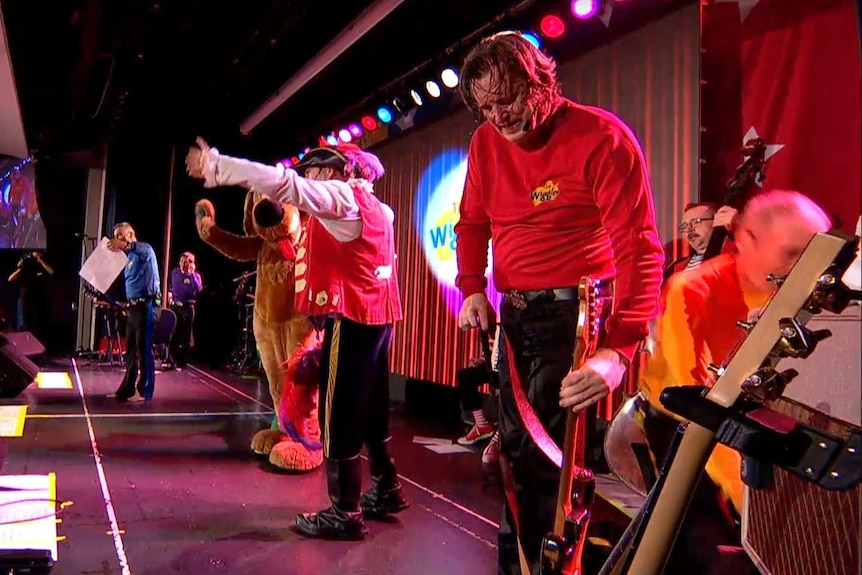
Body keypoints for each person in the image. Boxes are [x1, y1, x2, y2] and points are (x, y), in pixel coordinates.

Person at [454, 31, 664, 573]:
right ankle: (521, 565)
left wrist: (617, 352)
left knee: (549, 461)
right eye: (486, 106)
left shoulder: (601, 137)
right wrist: (472, 285)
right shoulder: (484, 142)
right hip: (514, 314)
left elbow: (640, 251)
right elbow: (473, 221)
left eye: (508, 100)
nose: (498, 117)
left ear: (540, 81)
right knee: (516, 456)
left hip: (572, 319)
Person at [185, 139, 407, 540]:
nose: (312, 179)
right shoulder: (378, 206)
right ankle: (386, 486)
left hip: (352, 316)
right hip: (380, 316)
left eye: (317, 173)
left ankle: (345, 510)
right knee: (373, 405)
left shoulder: (341, 197)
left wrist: (217, 166)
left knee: (338, 413)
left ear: (334, 173)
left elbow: (283, 183)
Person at [639, 190, 833, 574]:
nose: (802, 270)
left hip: (756, 434)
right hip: (683, 432)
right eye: (791, 254)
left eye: (810, 257)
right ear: (746, 240)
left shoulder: (802, 292)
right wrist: (755, 509)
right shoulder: (691, 291)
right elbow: (703, 414)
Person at [107, 222, 160, 402]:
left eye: (120, 236)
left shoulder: (145, 250)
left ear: (130, 234)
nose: (117, 240)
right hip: (133, 307)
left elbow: (137, 248)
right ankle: (126, 390)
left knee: (143, 349)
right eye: (116, 236)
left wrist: (123, 244)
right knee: (130, 351)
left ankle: (145, 391)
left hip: (146, 306)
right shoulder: (128, 258)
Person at [663, 202, 736, 281]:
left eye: (696, 222)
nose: (689, 230)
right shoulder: (675, 268)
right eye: (685, 226)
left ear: (716, 221)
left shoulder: (736, 256)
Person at [456, 356, 500, 465]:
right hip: (494, 364)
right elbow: (493, 345)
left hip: (511, 366)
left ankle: (501, 436)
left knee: (508, 385)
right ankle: (482, 425)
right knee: (465, 376)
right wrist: (483, 360)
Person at [165, 251, 202, 369]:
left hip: (188, 307)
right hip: (176, 306)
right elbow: (171, 287)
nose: (187, 264)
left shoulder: (195, 276)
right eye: (185, 261)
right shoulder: (175, 273)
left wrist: (191, 275)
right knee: (173, 333)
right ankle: (171, 359)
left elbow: (198, 290)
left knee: (185, 335)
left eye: (190, 262)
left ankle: (182, 362)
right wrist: (170, 297)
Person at [7, 251, 53, 339]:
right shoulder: (25, 269)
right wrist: (20, 269)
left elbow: (52, 272)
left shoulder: (41, 268)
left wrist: (41, 262)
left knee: (38, 324)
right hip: (25, 300)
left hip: (39, 299)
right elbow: (10, 279)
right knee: (24, 323)